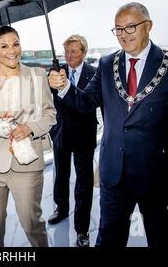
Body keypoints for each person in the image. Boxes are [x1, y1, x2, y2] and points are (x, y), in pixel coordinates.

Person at [48, 2, 168, 247]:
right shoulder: (105, 64)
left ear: (149, 26)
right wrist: (64, 87)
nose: (124, 34)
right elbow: (86, 101)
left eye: (130, 27)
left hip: (160, 177)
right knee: (108, 240)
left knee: (161, 241)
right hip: (115, 175)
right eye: (118, 29)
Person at [0, 26, 56, 247]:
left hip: (27, 165)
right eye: (4, 46)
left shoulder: (37, 75)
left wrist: (30, 127)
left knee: (32, 224)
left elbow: (50, 114)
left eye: (15, 44)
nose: (12, 50)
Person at [47, 35, 98, 248]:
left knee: (84, 184)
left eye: (74, 52)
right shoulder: (57, 72)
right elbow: (48, 96)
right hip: (61, 133)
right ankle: (61, 208)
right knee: (61, 176)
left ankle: (82, 229)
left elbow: (88, 102)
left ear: (84, 53)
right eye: (66, 52)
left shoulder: (94, 74)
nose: (69, 56)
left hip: (85, 136)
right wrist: (52, 80)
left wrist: (67, 86)